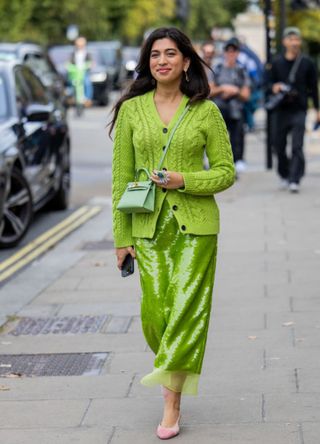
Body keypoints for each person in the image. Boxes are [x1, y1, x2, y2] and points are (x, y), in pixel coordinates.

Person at [110, 27, 235, 439]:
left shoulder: (205, 112)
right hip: (147, 228)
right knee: (154, 317)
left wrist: (185, 180)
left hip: (195, 229)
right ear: (148, 63)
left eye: (170, 53)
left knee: (185, 313)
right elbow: (121, 178)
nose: (161, 60)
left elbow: (225, 172)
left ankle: (171, 403)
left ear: (185, 62)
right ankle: (173, 373)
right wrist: (121, 237)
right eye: (154, 55)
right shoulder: (131, 110)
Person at [268, 27, 320, 193]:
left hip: (299, 109)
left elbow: (313, 88)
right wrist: (274, 87)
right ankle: (285, 174)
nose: (294, 42)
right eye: (291, 39)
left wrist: (318, 109)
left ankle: (295, 178)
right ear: (284, 42)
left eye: (297, 39)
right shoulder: (275, 63)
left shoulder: (307, 63)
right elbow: (266, 84)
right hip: (280, 111)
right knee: (278, 145)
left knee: (297, 146)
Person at [210, 38, 251, 174]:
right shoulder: (217, 69)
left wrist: (235, 91)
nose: (231, 54)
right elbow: (209, 90)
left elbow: (246, 94)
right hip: (219, 109)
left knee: (237, 138)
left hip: (236, 110)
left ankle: (237, 161)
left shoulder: (241, 71)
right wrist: (222, 89)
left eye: (234, 51)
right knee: (218, 139)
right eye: (228, 51)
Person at [67, 36, 93, 107]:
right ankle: (71, 96)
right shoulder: (73, 53)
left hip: (83, 72)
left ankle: (87, 99)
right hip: (75, 72)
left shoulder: (87, 53)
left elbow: (91, 62)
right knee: (70, 82)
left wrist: (89, 65)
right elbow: (69, 62)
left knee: (87, 82)